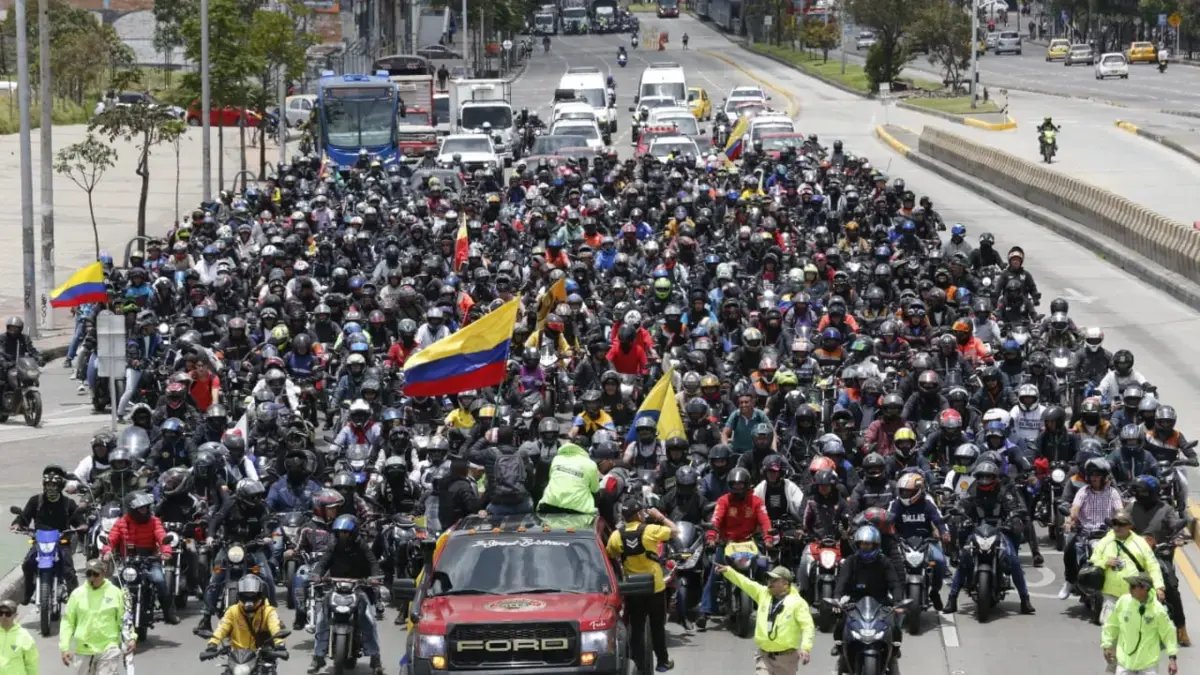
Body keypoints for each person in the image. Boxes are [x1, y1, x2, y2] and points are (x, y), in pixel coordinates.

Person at [606, 494, 678, 673]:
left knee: (636, 628)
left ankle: (637, 664)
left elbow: (611, 554)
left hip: (633, 589)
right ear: (638, 514)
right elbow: (675, 531)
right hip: (655, 587)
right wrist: (659, 516)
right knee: (657, 627)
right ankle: (662, 662)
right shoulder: (651, 530)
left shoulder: (616, 535)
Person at [309, 515, 384, 675]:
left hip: (360, 586)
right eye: (340, 532)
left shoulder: (362, 546)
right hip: (336, 586)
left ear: (353, 533)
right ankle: (318, 657)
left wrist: (374, 577)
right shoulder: (333, 545)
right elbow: (323, 563)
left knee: (368, 619)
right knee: (322, 617)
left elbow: (373, 563)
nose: (343, 535)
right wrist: (317, 574)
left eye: (346, 532)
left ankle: (375, 658)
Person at [713, 563, 814, 674]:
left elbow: (807, 626)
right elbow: (745, 583)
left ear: (785, 583)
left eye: (774, 580)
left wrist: (806, 648)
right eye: (769, 579)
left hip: (786, 659)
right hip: (764, 656)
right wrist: (728, 571)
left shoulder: (798, 603)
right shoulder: (763, 593)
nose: (770, 582)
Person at [1128, 475, 1190, 646]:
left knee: (1171, 587)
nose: (1139, 494)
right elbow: (1122, 521)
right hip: (1134, 554)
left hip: (1160, 555)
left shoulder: (1166, 509)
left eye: (1143, 491)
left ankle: (1181, 628)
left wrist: (1178, 537)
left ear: (1153, 493)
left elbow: (1176, 525)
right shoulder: (1132, 507)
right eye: (1137, 491)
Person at [100, 491, 178, 625]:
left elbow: (161, 535)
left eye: (146, 507)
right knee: (114, 584)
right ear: (132, 509)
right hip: (128, 562)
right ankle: (108, 615)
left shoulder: (154, 521)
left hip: (150, 559)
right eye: (141, 508)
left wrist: (166, 551)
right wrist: (107, 551)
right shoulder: (121, 522)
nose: (144, 510)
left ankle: (168, 613)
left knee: (160, 581)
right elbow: (111, 539)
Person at [13, 465, 84, 607]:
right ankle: (29, 591)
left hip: (62, 541)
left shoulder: (68, 503)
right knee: (27, 564)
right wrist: (17, 524)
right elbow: (24, 516)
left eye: (54, 485)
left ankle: (76, 599)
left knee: (68, 570)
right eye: (48, 484)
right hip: (39, 540)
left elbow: (79, 521)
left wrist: (82, 526)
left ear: (61, 486)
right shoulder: (35, 501)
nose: (51, 488)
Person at [831, 525, 903, 659]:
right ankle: (839, 645)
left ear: (875, 545)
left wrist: (898, 602)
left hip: (880, 601)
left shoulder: (884, 562)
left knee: (894, 624)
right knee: (841, 621)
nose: (865, 547)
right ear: (858, 545)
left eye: (868, 544)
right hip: (854, 600)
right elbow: (842, 582)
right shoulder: (851, 561)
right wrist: (836, 599)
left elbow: (894, 583)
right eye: (863, 544)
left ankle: (895, 647)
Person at [60, 558, 134, 674]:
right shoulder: (77, 594)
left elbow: (124, 619)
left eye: (95, 574)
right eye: (88, 574)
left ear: (103, 573)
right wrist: (65, 647)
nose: (92, 578)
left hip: (108, 648)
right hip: (84, 649)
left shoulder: (115, 593)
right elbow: (68, 622)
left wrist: (131, 638)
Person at [1090, 510, 1164, 624]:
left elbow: (1152, 565)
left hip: (1134, 596)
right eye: (1115, 523)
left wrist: (1159, 587)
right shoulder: (1105, 541)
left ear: (1130, 526)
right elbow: (1093, 560)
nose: (1117, 527)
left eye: (1121, 524)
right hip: (1110, 595)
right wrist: (1105, 562)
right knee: (1109, 627)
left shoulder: (1140, 543)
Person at [1102, 572, 1179, 675]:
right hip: (1125, 663)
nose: (1130, 588)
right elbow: (1112, 625)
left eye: (1134, 586)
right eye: (1130, 585)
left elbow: (1168, 633)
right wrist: (1107, 645)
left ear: (1145, 588)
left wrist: (1172, 659)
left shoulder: (1158, 610)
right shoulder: (1123, 602)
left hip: (1148, 665)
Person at [202, 574, 287, 660]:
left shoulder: (268, 612)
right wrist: (212, 644)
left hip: (262, 656)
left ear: (261, 595)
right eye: (245, 595)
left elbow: (275, 627)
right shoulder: (232, 611)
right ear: (239, 595)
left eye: (252, 595)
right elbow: (222, 628)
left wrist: (279, 643)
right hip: (237, 657)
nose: (249, 600)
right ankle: (206, 613)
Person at [537, 442, 600, 515]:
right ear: (586, 450)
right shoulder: (590, 464)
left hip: (548, 505)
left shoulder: (556, 459)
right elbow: (595, 489)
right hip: (578, 510)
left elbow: (551, 478)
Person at [0, 598, 37, 675]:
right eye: (0, 613)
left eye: (8, 614)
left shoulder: (24, 637)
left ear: (15, 615)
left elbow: (31, 664)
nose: (3, 616)